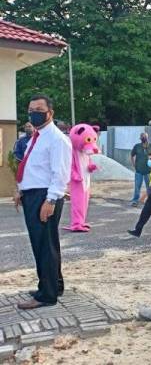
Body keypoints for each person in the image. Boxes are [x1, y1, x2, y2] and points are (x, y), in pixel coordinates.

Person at [13, 94, 72, 309]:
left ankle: (46, 295)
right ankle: (54, 285)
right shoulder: (36, 137)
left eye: (39, 109)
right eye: (31, 109)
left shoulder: (57, 139)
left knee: (44, 245)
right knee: (47, 243)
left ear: (50, 113)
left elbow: (60, 174)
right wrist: (21, 190)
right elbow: (32, 168)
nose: (34, 113)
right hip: (33, 194)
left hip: (45, 196)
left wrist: (50, 201)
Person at [130, 132, 151, 207]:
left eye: (144, 136)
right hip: (138, 170)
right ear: (140, 138)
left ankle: (150, 201)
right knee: (137, 186)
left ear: (147, 137)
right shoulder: (137, 146)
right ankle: (135, 200)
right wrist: (133, 164)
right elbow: (132, 155)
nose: (143, 138)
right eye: (142, 137)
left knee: (149, 186)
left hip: (148, 171)